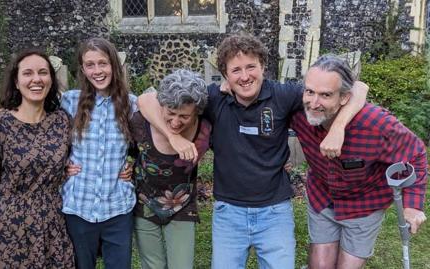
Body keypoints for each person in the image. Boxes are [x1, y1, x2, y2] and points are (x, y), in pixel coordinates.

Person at [138, 34, 368, 269]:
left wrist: (338, 128)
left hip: (275, 212)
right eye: (236, 70)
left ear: (263, 67)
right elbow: (146, 100)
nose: (245, 76)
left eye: (251, 67)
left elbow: (359, 87)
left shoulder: (282, 94)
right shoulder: (214, 98)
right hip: (228, 213)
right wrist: (173, 137)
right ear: (225, 74)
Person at [290, 54, 427, 269]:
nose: (314, 103)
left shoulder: (375, 124)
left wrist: (412, 205)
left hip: (365, 205)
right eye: (309, 92)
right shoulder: (300, 113)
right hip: (322, 198)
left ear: (345, 97)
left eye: (325, 95)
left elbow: (416, 153)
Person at [0, 49, 75, 268]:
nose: (36, 79)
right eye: (28, 73)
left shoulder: (62, 121)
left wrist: (124, 168)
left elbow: (81, 154)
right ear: (16, 82)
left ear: (51, 81)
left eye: (43, 72)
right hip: (9, 229)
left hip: (53, 226)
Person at [60, 37, 136, 269]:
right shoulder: (68, 102)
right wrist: (60, 164)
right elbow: (41, 132)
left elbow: (151, 142)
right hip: (78, 206)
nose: (97, 70)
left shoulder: (132, 104)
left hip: (117, 207)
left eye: (102, 63)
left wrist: (135, 163)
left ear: (114, 65)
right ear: (82, 69)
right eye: (90, 64)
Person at [130, 69, 211, 269]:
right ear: (161, 105)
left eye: (184, 116)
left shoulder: (205, 129)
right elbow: (124, 150)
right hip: (145, 203)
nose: (176, 122)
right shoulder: (140, 122)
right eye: (171, 113)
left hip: (182, 206)